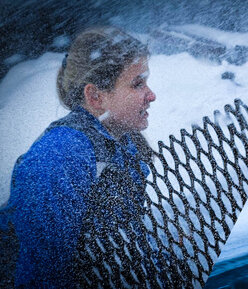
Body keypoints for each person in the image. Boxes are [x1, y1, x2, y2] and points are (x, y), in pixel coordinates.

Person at [0, 26, 156, 287]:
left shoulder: (124, 144)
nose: (151, 95)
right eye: (137, 84)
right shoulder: (58, 157)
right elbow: (41, 276)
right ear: (95, 96)